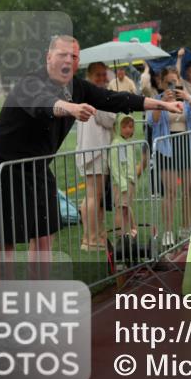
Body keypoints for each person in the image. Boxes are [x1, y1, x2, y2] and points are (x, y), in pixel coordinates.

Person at [0, 35, 182, 260]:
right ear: (48, 57)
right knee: (6, 242)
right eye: (62, 55)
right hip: (2, 166)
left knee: (45, 234)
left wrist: (162, 104)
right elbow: (44, 103)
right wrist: (70, 108)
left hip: (37, 167)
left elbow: (116, 99)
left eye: (73, 56)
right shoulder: (31, 82)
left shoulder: (78, 87)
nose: (67, 60)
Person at [148, 66, 191, 249]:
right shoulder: (157, 100)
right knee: (169, 193)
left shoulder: (186, 99)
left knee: (189, 191)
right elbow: (151, 121)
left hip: (188, 146)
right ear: (162, 83)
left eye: (174, 81)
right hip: (167, 148)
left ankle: (186, 229)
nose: (171, 85)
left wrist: (189, 98)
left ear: (179, 81)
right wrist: (162, 104)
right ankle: (168, 232)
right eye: (168, 82)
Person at [75, 62, 116, 251]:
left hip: (88, 149)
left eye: (103, 74)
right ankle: (91, 239)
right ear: (90, 76)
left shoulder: (86, 93)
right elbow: (107, 119)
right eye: (97, 75)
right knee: (93, 196)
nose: (101, 78)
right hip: (95, 150)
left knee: (91, 196)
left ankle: (91, 236)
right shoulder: (94, 94)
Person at [108, 115, 140, 238]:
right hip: (122, 183)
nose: (128, 129)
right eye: (124, 126)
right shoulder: (117, 144)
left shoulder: (128, 143)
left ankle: (130, 231)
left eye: (131, 127)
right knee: (121, 209)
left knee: (126, 208)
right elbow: (115, 167)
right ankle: (120, 236)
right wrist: (122, 184)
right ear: (118, 127)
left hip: (129, 182)